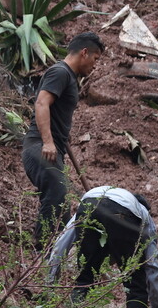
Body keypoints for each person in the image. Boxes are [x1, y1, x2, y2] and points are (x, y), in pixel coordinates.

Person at [21, 32, 104, 249]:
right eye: (95, 59)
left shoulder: (69, 77)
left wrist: (59, 140)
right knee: (57, 195)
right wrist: (48, 142)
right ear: (84, 53)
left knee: (63, 206)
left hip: (51, 148)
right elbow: (41, 104)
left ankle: (59, 258)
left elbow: (55, 112)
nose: (95, 65)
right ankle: (42, 256)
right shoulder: (60, 72)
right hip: (39, 147)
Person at [48, 186, 158, 308]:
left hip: (88, 205)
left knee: (84, 280)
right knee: (135, 285)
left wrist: (49, 282)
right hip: (122, 213)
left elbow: (62, 241)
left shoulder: (106, 196)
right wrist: (157, 304)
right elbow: (152, 263)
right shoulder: (143, 214)